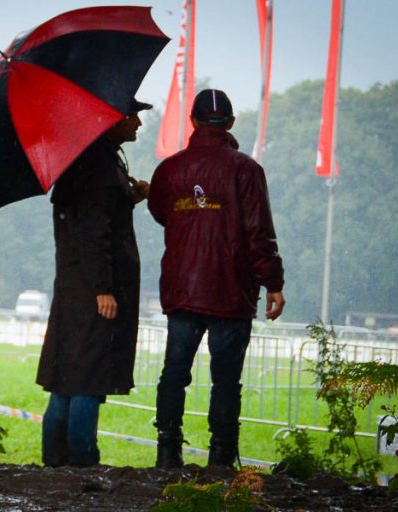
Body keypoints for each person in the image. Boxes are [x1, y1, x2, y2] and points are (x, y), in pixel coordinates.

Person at [147, 89, 285, 469]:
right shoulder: (247, 169)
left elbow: (162, 212)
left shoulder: (169, 170)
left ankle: (167, 450)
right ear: (231, 122)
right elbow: (258, 232)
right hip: (230, 290)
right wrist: (273, 282)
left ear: (191, 122)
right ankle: (222, 457)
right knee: (226, 380)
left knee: (174, 373)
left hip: (182, 289)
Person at [35, 99, 151, 467]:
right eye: (132, 116)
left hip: (73, 287)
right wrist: (104, 288)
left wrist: (131, 197)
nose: (137, 124)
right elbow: (94, 232)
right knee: (87, 377)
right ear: (113, 119)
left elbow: (93, 218)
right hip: (92, 291)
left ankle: (54, 458)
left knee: (67, 375)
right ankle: (82, 458)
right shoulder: (101, 167)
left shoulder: (84, 161)